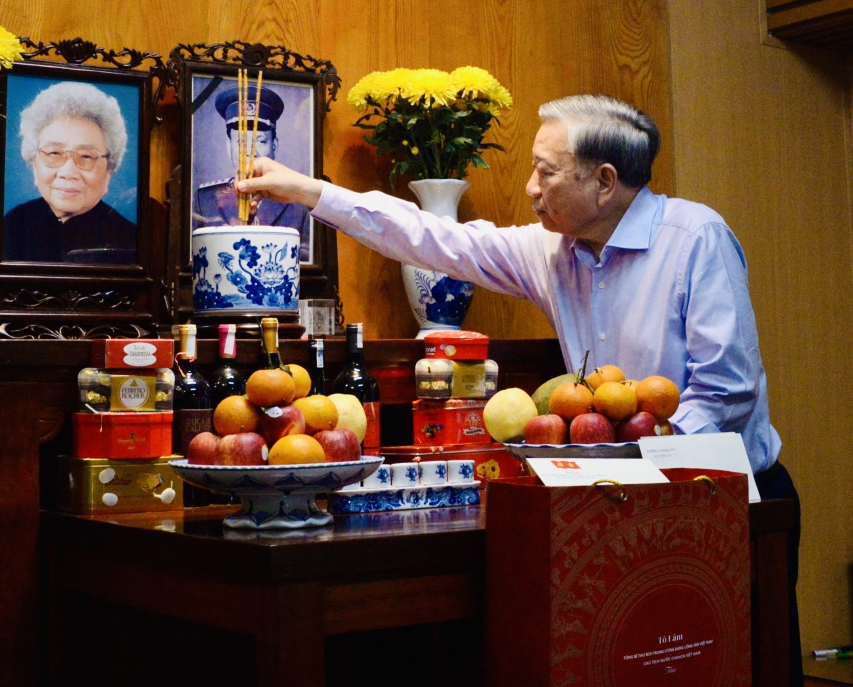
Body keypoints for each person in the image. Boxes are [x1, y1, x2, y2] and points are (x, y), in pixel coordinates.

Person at [237, 93, 803, 687]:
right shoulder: (552, 249)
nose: (531, 188)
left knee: (742, 666)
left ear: (604, 182)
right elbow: (435, 238)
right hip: (619, 503)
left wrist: (646, 463)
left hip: (730, 500)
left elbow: (726, 390)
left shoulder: (695, 237)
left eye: (546, 172)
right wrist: (309, 192)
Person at [3, 81, 137, 265]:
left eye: (86, 156)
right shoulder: (14, 224)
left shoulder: (130, 242)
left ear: (109, 170)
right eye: (54, 153)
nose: (68, 172)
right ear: (34, 163)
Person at [194, 83, 311, 260]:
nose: (249, 151)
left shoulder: (297, 201)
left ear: (274, 145)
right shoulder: (204, 199)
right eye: (241, 142)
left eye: (261, 141)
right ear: (228, 146)